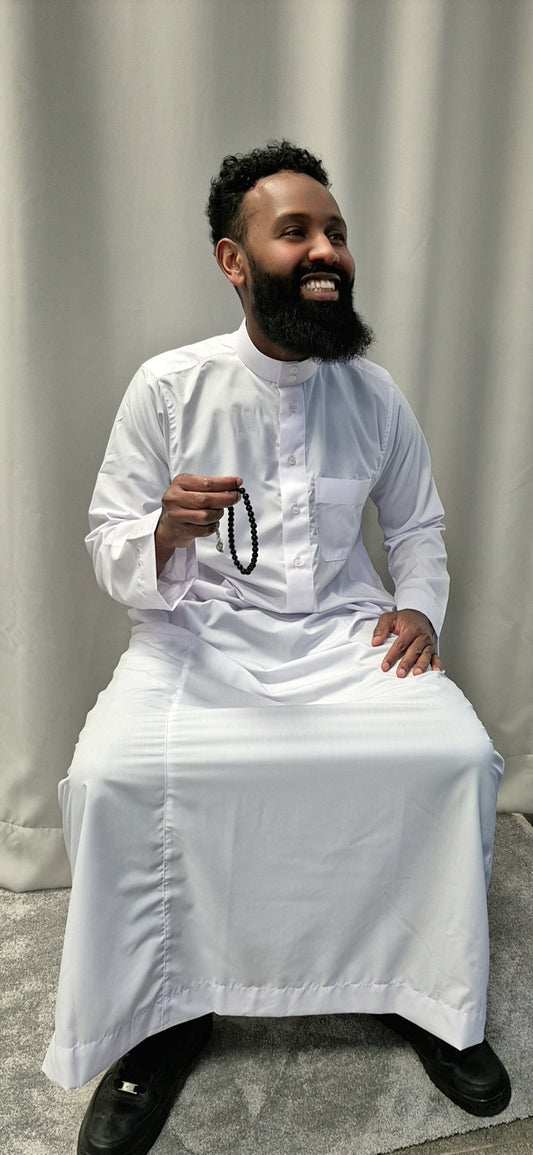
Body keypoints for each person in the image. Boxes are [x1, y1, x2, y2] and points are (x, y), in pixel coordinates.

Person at [43, 141, 511, 1155]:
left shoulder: (373, 395)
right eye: (294, 231)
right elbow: (106, 541)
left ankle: (421, 992)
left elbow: (417, 531)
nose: (323, 251)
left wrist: (418, 610)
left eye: (334, 232)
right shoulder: (167, 389)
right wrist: (163, 532)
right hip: (195, 650)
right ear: (232, 259)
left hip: (346, 642)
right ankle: (158, 1021)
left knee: (454, 759)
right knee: (112, 779)